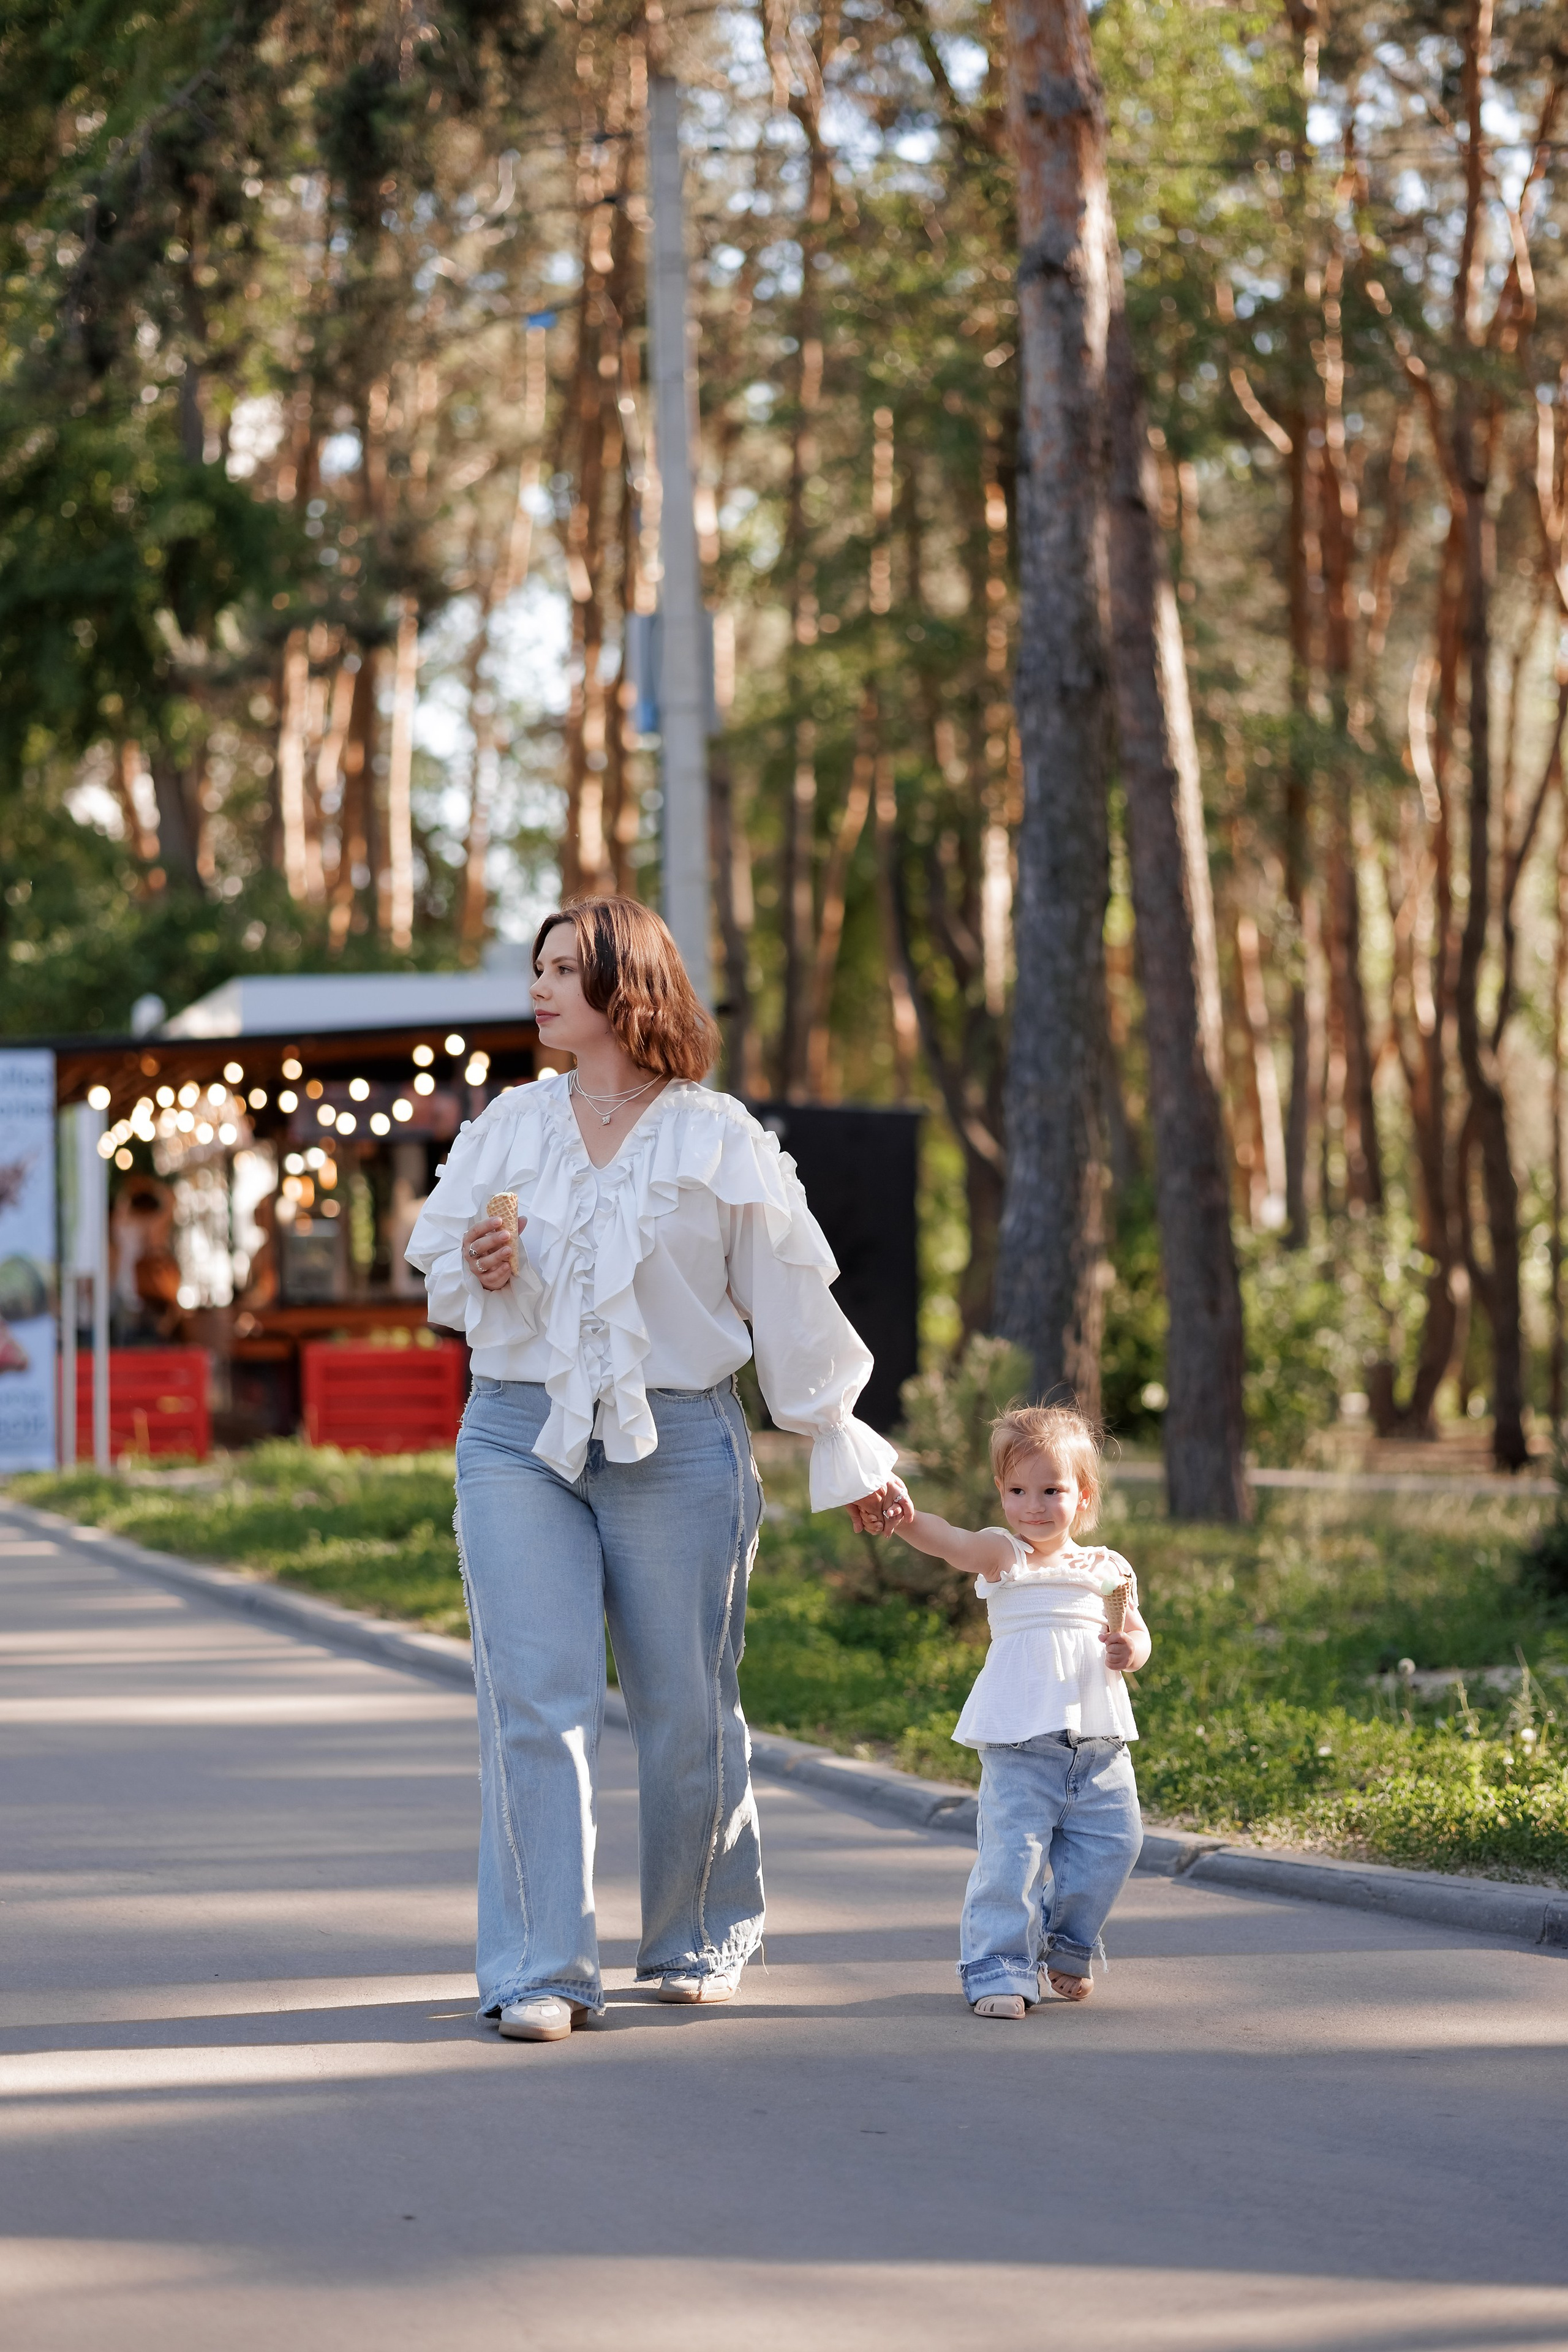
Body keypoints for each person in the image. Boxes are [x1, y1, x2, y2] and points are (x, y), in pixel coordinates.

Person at [406, 897, 908, 2043]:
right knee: (539, 1705)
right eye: (534, 969)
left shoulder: (715, 1135)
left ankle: (696, 1934)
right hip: (513, 1437)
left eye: (562, 970)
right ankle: (540, 1968)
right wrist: (478, 1264)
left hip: (679, 1440)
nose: (537, 989)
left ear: (626, 984)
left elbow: (787, 1298)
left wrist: (840, 1437)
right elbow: (439, 1258)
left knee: (686, 1707)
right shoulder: (507, 1127)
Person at [884, 1403, 1149, 2019]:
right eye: (1017, 1490)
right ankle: (997, 1968)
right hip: (1020, 1743)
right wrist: (903, 1517)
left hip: (1098, 1742)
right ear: (1001, 1495)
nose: (1033, 1504)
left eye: (1051, 1489)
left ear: (1083, 1496)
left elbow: (1137, 1634)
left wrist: (1129, 1649)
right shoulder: (1004, 1554)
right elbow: (946, 1540)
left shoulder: (1107, 1568)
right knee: (1012, 1859)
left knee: (1116, 1844)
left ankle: (1066, 1944)